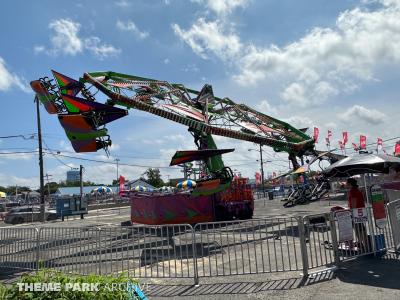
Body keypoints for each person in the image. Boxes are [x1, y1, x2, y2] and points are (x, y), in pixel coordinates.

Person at [346, 177, 368, 252]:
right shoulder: (357, 190)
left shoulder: (352, 191)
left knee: (359, 230)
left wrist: (351, 212)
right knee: (361, 229)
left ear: (350, 184)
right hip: (360, 211)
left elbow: (354, 203)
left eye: (347, 183)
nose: (346, 184)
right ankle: (364, 245)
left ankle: (364, 246)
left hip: (356, 212)